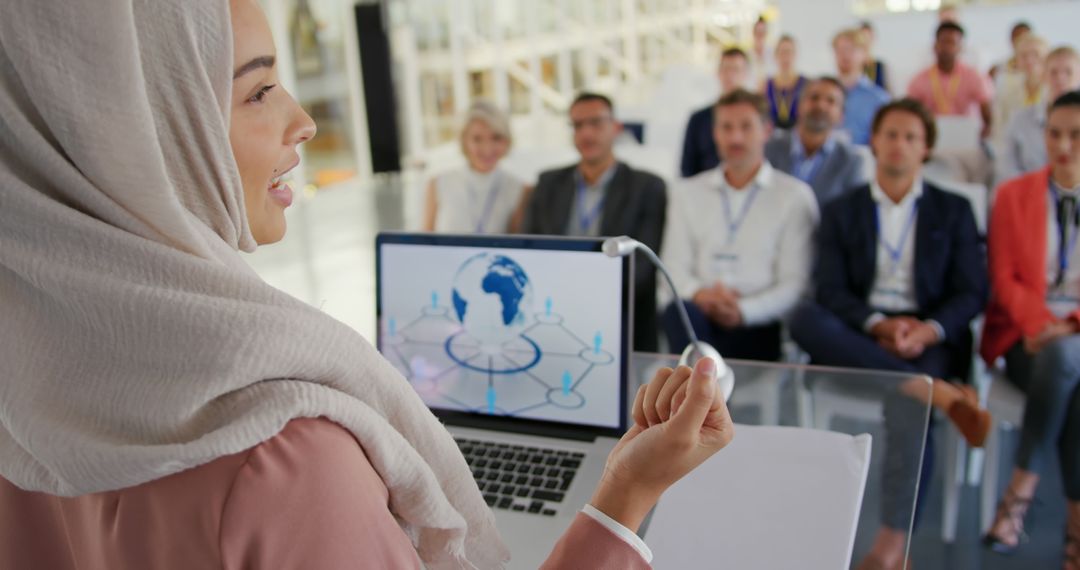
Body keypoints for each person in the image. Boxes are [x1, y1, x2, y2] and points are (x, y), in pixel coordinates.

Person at [0, 2, 735, 568]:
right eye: (257, 92)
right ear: (138, 136)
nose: (302, 121)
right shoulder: (285, 460)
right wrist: (626, 495)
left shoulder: (18, 387)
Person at [788, 99, 990, 570]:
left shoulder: (954, 209)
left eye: (911, 137)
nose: (899, 145)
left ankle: (891, 545)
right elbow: (831, 289)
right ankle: (940, 395)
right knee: (804, 316)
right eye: (891, 135)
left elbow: (971, 291)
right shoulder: (841, 210)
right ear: (873, 142)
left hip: (928, 337)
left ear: (926, 149)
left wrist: (927, 329)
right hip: (862, 332)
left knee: (907, 402)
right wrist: (877, 323)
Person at [981, 92, 1080, 570]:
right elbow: (1004, 279)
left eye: (1076, 135)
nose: (1064, 145)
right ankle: (1076, 526)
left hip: (1070, 335)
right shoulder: (1014, 194)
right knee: (1066, 368)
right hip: (1027, 336)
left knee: (1068, 362)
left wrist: (1070, 326)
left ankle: (1018, 493)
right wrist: (1043, 325)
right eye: (1055, 133)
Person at [662, 89, 818, 362]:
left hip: (759, 322)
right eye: (726, 127)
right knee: (678, 312)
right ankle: (701, 397)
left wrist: (744, 310)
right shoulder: (687, 192)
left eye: (746, 127)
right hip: (698, 317)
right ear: (715, 133)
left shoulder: (794, 196)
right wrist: (701, 295)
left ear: (766, 130)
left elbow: (796, 284)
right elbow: (672, 268)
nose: (735, 137)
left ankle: (702, 397)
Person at [523, 93, 667, 353]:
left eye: (596, 123)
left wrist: (586, 298)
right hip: (553, 315)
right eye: (578, 125)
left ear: (616, 128)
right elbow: (529, 250)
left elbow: (644, 268)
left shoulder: (647, 187)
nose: (586, 133)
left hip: (620, 317)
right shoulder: (548, 184)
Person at [422, 101, 530, 234]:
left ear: (507, 141)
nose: (487, 148)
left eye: (496, 138)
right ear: (464, 141)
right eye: (477, 139)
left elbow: (516, 246)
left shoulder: (520, 189)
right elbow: (425, 242)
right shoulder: (439, 183)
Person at [765, 76, 868, 206]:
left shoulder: (851, 161)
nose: (820, 106)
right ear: (799, 106)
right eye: (814, 98)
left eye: (831, 101)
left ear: (841, 115)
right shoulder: (768, 148)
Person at [997, 47, 1080, 185]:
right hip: (1028, 198)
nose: (1060, 78)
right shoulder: (1020, 120)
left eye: (1068, 72)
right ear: (1044, 76)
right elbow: (1007, 169)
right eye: (1054, 72)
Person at [907, 22, 993, 139]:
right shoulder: (919, 80)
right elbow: (910, 114)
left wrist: (984, 136)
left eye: (952, 43)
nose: (947, 48)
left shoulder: (974, 77)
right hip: (931, 139)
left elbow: (987, 112)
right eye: (943, 42)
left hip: (966, 139)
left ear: (961, 47)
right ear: (935, 45)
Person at [680, 47, 751, 178]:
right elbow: (687, 170)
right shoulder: (698, 120)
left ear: (746, 74)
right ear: (718, 73)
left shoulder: (758, 121)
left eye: (736, 70)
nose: (730, 75)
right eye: (726, 69)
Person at [833, 28, 891, 146]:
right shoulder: (822, 96)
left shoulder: (879, 99)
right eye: (841, 50)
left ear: (865, 54)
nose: (845, 55)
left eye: (851, 50)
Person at [991, 34, 1048, 152]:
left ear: (1047, 58)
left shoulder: (1055, 89)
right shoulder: (1006, 90)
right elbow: (999, 129)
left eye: (1035, 54)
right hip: (1015, 153)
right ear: (1017, 59)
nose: (1029, 60)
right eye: (1024, 55)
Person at [763, 35, 807, 130]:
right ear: (775, 55)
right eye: (782, 52)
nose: (786, 57)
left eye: (789, 52)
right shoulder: (765, 85)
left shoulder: (806, 84)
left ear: (795, 55)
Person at [859, 21, 890, 92]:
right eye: (863, 37)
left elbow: (886, 90)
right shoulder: (853, 66)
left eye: (869, 36)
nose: (866, 41)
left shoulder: (880, 66)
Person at [748, 15, 774, 88]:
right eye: (758, 32)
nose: (760, 35)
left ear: (766, 33)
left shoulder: (773, 55)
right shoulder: (747, 55)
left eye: (762, 32)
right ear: (753, 33)